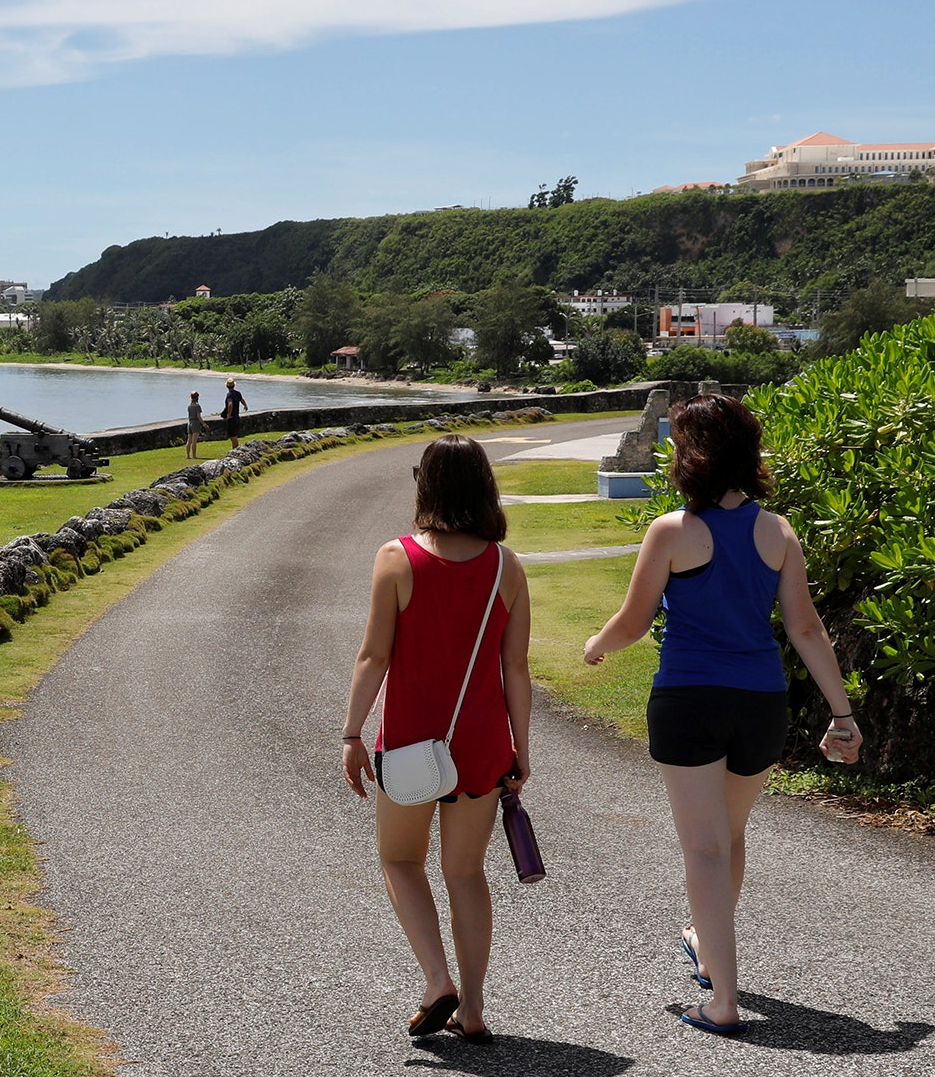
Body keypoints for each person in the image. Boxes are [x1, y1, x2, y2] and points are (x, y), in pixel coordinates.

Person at [583, 393, 861, 1038]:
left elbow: (632, 621)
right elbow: (808, 629)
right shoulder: (778, 531)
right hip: (761, 702)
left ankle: (723, 1002)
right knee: (727, 837)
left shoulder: (673, 530)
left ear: (690, 456)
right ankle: (707, 951)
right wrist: (842, 712)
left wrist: (597, 646)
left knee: (703, 847)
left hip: (689, 699)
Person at [341, 434, 531, 1044]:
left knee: (400, 860)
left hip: (410, 743)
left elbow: (374, 657)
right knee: (467, 873)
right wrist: (520, 751)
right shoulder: (507, 567)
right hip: (479, 743)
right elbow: (516, 671)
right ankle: (472, 1010)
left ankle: (435, 980)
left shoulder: (396, 558)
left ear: (425, 484)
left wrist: (350, 733)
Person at [222, 377, 248, 449]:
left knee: (232, 436)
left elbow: (230, 404)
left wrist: (228, 415)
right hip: (237, 417)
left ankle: (235, 450)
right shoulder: (237, 393)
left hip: (232, 418)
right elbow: (242, 400)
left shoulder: (229, 395)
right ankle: (235, 450)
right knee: (234, 435)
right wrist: (245, 405)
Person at [185, 391, 205, 458]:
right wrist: (204, 424)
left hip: (189, 423)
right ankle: (194, 455)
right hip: (195, 423)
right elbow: (198, 416)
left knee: (189, 440)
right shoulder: (197, 406)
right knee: (194, 441)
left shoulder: (189, 406)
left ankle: (188, 455)